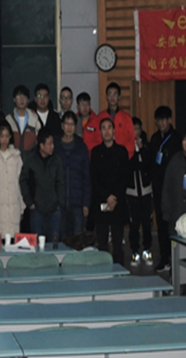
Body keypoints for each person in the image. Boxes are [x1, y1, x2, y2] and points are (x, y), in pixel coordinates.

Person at [90, 118, 130, 265]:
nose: (106, 131)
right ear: (100, 132)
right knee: (102, 243)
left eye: (109, 127)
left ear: (114, 131)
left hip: (117, 202)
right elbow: (94, 178)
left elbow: (125, 178)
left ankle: (119, 272)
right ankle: (103, 272)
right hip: (101, 202)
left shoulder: (122, 151)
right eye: (103, 128)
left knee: (118, 243)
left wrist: (114, 198)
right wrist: (107, 196)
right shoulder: (96, 152)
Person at [149, 105, 182, 272]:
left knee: (173, 225)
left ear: (170, 120)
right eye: (159, 120)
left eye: (164, 120)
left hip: (173, 189)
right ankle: (164, 258)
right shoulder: (155, 138)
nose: (161, 123)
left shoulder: (177, 139)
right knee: (161, 224)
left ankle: (176, 258)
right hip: (158, 188)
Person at [20, 128, 65, 242]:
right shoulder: (31, 160)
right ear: (41, 146)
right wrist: (30, 202)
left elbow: (60, 182)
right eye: (49, 143)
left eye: (53, 143)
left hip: (54, 211)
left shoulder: (56, 160)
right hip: (37, 211)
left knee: (54, 245)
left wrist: (59, 202)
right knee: (37, 246)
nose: (52, 146)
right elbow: (23, 181)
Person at [54, 111, 90, 240]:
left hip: (77, 203)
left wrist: (86, 203)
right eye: (66, 124)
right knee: (61, 239)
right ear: (62, 126)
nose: (69, 127)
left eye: (72, 124)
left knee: (78, 239)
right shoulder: (54, 146)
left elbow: (86, 177)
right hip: (59, 202)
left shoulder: (81, 147)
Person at [0, 123, 25, 236]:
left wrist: (22, 207)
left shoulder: (16, 157)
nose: (4, 139)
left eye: (7, 136)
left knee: (14, 238)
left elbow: (19, 183)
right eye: (2, 136)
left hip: (13, 203)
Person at [127, 117, 153, 266]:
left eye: (137, 128)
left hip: (146, 191)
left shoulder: (147, 146)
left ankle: (147, 250)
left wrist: (142, 149)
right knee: (134, 224)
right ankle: (135, 251)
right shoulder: (126, 146)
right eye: (133, 129)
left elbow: (148, 165)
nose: (135, 131)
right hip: (131, 192)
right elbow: (129, 167)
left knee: (147, 223)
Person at [100, 82, 135, 158]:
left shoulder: (126, 118)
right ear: (106, 97)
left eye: (115, 94)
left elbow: (131, 140)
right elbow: (97, 138)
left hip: (122, 157)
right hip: (104, 157)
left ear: (119, 97)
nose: (112, 97)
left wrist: (124, 155)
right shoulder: (100, 117)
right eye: (110, 94)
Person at [5, 85, 39, 153]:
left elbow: (38, 140)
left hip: (31, 156)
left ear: (28, 100)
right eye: (19, 96)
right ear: (14, 99)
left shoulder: (34, 118)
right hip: (12, 156)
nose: (22, 99)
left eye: (24, 96)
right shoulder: (8, 119)